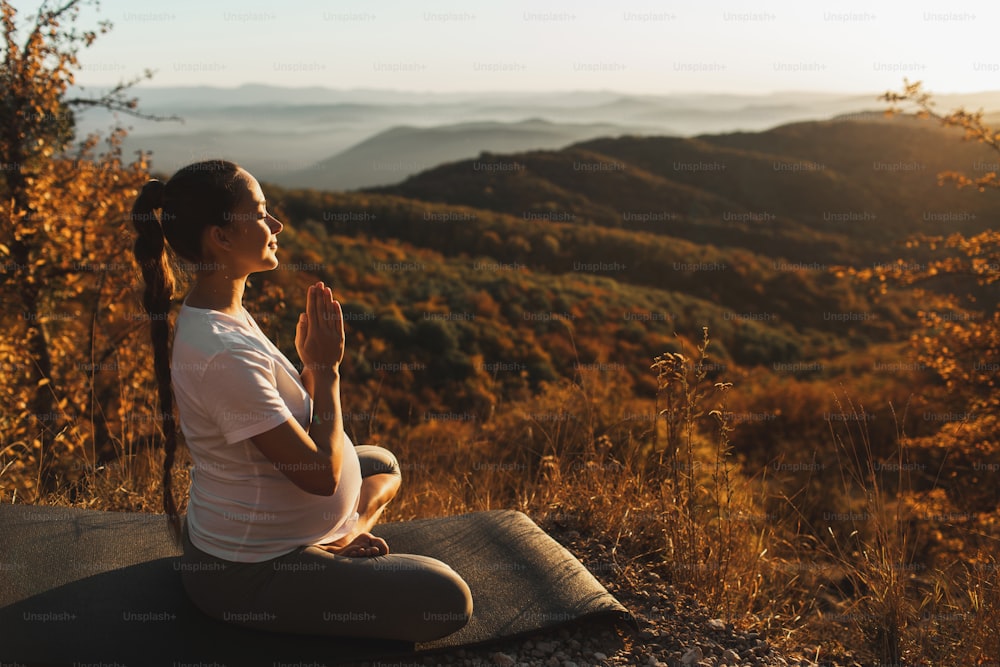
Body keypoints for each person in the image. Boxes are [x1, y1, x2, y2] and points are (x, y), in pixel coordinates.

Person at [130, 159, 472, 642]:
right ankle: (332, 541)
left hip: (269, 529)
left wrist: (309, 365)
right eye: (261, 213)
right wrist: (326, 369)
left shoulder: (223, 312)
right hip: (247, 573)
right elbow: (319, 476)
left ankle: (342, 533)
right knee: (446, 599)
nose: (276, 225)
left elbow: (293, 428)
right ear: (221, 238)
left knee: (382, 463)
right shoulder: (221, 350)